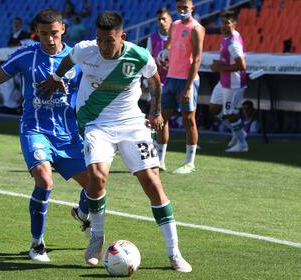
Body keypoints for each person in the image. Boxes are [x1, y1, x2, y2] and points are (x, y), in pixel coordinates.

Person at [39, 11, 192, 273]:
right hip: (97, 125)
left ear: (122, 37)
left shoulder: (139, 55)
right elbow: (68, 59)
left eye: (109, 41)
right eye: (99, 39)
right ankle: (97, 238)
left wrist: (155, 111)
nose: (103, 46)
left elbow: (155, 81)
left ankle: (174, 252)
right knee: (97, 177)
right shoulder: (86, 51)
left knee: (153, 184)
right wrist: (56, 78)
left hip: (132, 123)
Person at [0, 8, 91, 263]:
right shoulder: (26, 55)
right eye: (42, 34)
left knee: (96, 186)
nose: (49, 39)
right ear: (36, 33)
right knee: (44, 180)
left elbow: (94, 90)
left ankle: (83, 213)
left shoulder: (78, 59)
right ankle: (37, 244)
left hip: (69, 135)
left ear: (63, 30)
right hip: (35, 130)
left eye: (53, 33)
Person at [156, 0, 205, 174]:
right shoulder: (175, 25)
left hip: (186, 81)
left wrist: (189, 87)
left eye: (185, 7)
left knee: (188, 120)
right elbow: (168, 45)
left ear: (192, 8)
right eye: (179, 7)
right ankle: (160, 161)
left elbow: (197, 59)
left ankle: (189, 163)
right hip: (170, 78)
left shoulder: (197, 28)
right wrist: (163, 55)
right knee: (161, 119)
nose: (182, 10)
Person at [209, 11, 248, 152]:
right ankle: (238, 132)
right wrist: (220, 63)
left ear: (234, 24)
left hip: (233, 84)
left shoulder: (233, 43)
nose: (223, 26)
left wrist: (221, 67)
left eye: (227, 23)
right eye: (222, 22)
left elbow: (242, 65)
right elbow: (229, 60)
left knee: (230, 113)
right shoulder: (227, 37)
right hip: (224, 81)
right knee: (214, 108)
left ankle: (242, 144)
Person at [146, 8, 172, 170]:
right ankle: (158, 158)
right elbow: (147, 61)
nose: (161, 22)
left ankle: (160, 159)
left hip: (171, 82)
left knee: (162, 118)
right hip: (156, 83)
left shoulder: (177, 37)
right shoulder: (153, 38)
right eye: (159, 20)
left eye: (164, 19)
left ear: (170, 20)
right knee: (158, 118)